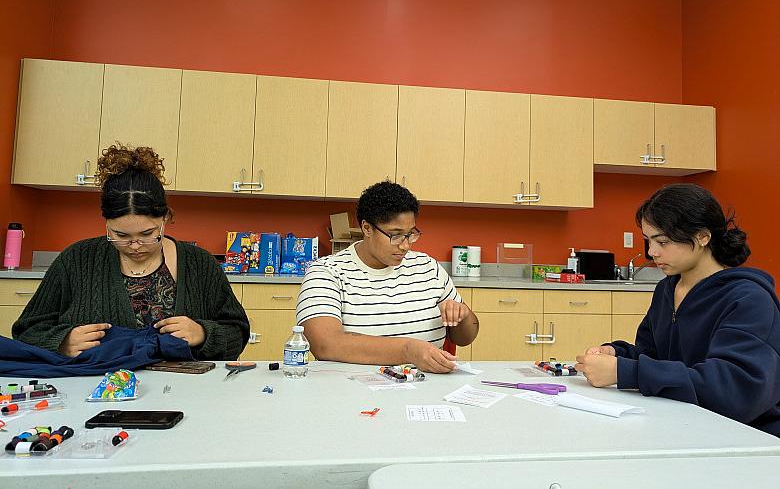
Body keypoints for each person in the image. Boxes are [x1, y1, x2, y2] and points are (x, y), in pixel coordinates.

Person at [575, 183, 780, 437]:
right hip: (683, 426)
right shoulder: (666, 290)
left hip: (747, 439)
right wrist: (618, 354)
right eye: (649, 240)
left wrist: (626, 371)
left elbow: (735, 389)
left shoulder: (749, 299)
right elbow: (655, 356)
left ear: (703, 237)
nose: (652, 252)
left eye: (663, 241)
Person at [13, 145, 250, 360]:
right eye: (121, 236)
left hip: (182, 393)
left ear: (165, 217)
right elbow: (27, 330)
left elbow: (237, 332)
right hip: (93, 392)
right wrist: (61, 342)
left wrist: (203, 333)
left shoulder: (199, 264)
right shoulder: (75, 261)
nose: (135, 245)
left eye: (147, 234)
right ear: (106, 222)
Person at [297, 181, 479, 373]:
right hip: (352, 392)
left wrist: (463, 316)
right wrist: (408, 350)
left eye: (411, 234)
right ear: (367, 228)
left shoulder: (428, 267)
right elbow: (325, 345)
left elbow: (465, 337)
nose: (405, 245)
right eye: (395, 235)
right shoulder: (326, 272)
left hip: (426, 391)